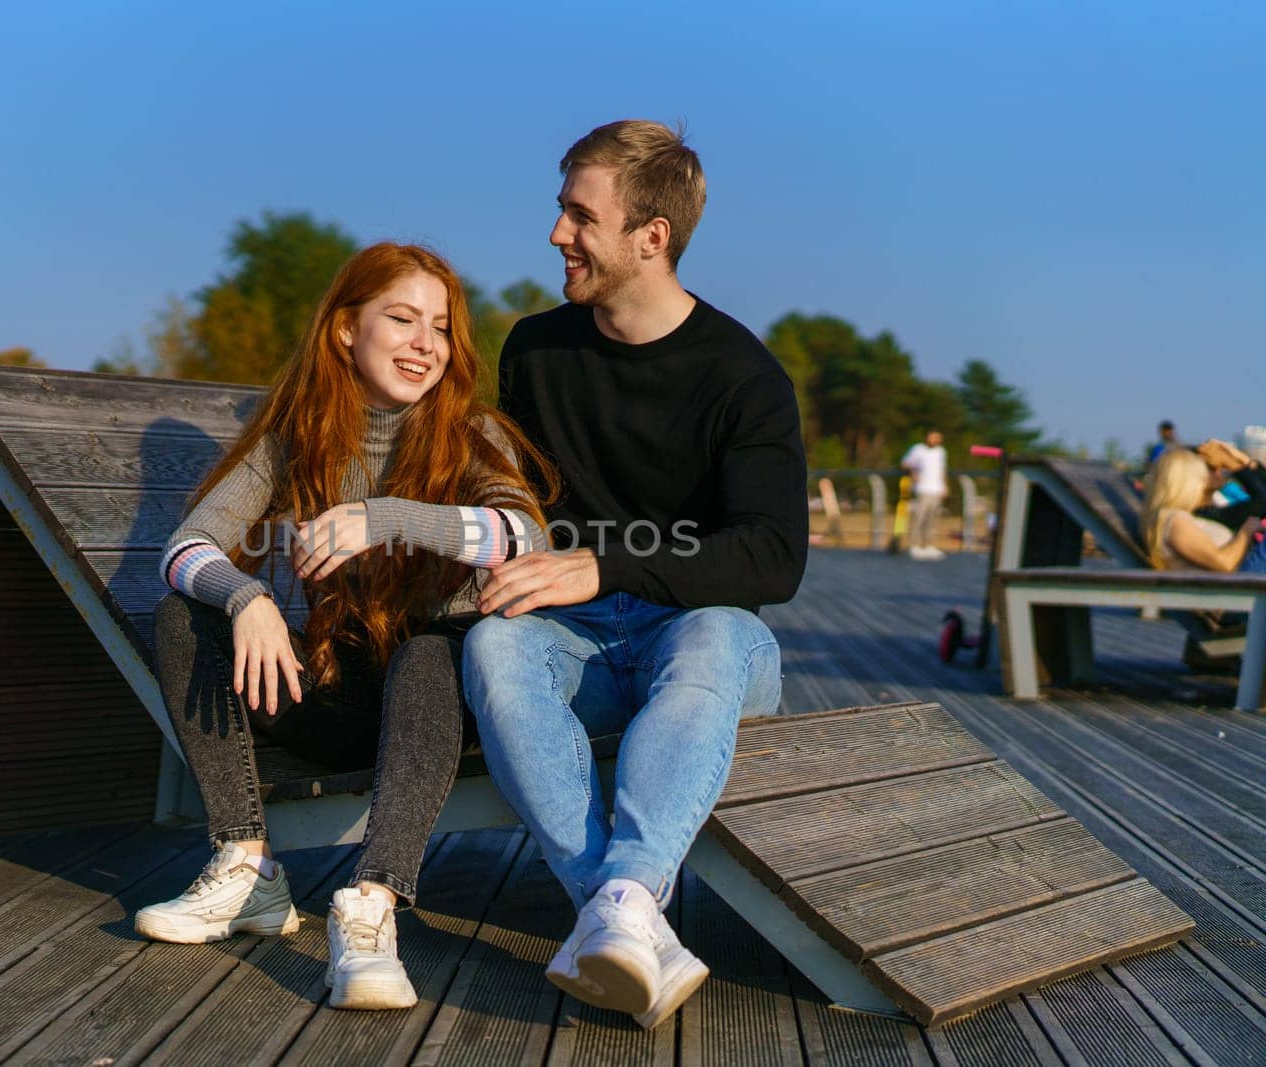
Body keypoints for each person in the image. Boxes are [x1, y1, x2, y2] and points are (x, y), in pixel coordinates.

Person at [134, 242, 553, 1011]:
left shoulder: (469, 432)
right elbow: (185, 550)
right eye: (402, 318)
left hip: (441, 710)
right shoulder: (297, 435)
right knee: (182, 615)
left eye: (441, 326)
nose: (427, 342)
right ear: (344, 331)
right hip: (339, 698)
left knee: (431, 651)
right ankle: (247, 868)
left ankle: (371, 907)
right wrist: (246, 600)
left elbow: (526, 536)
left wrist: (389, 517)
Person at [461, 121, 807, 1028]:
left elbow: (774, 557)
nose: (556, 234)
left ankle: (614, 903)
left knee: (724, 629)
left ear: (651, 236)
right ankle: (622, 906)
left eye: (580, 215)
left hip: (699, 654)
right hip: (573, 645)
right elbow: (517, 498)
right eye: (560, 210)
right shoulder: (536, 351)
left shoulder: (746, 377)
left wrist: (607, 563)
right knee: (494, 647)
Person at [1141, 439, 1266, 574]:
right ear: (1189, 478)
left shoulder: (1191, 515)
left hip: (1239, 580)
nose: (1220, 469)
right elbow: (1224, 564)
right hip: (1234, 586)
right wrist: (1246, 532)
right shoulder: (1176, 519)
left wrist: (1244, 462)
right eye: (1210, 468)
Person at [901, 430, 949, 560]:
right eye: (932, 437)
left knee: (932, 520)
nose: (934, 440)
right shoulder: (918, 449)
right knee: (919, 518)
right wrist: (914, 472)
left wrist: (944, 486)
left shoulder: (941, 452)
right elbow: (905, 463)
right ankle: (914, 545)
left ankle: (929, 545)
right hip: (923, 489)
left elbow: (942, 469)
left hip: (936, 490)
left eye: (937, 438)